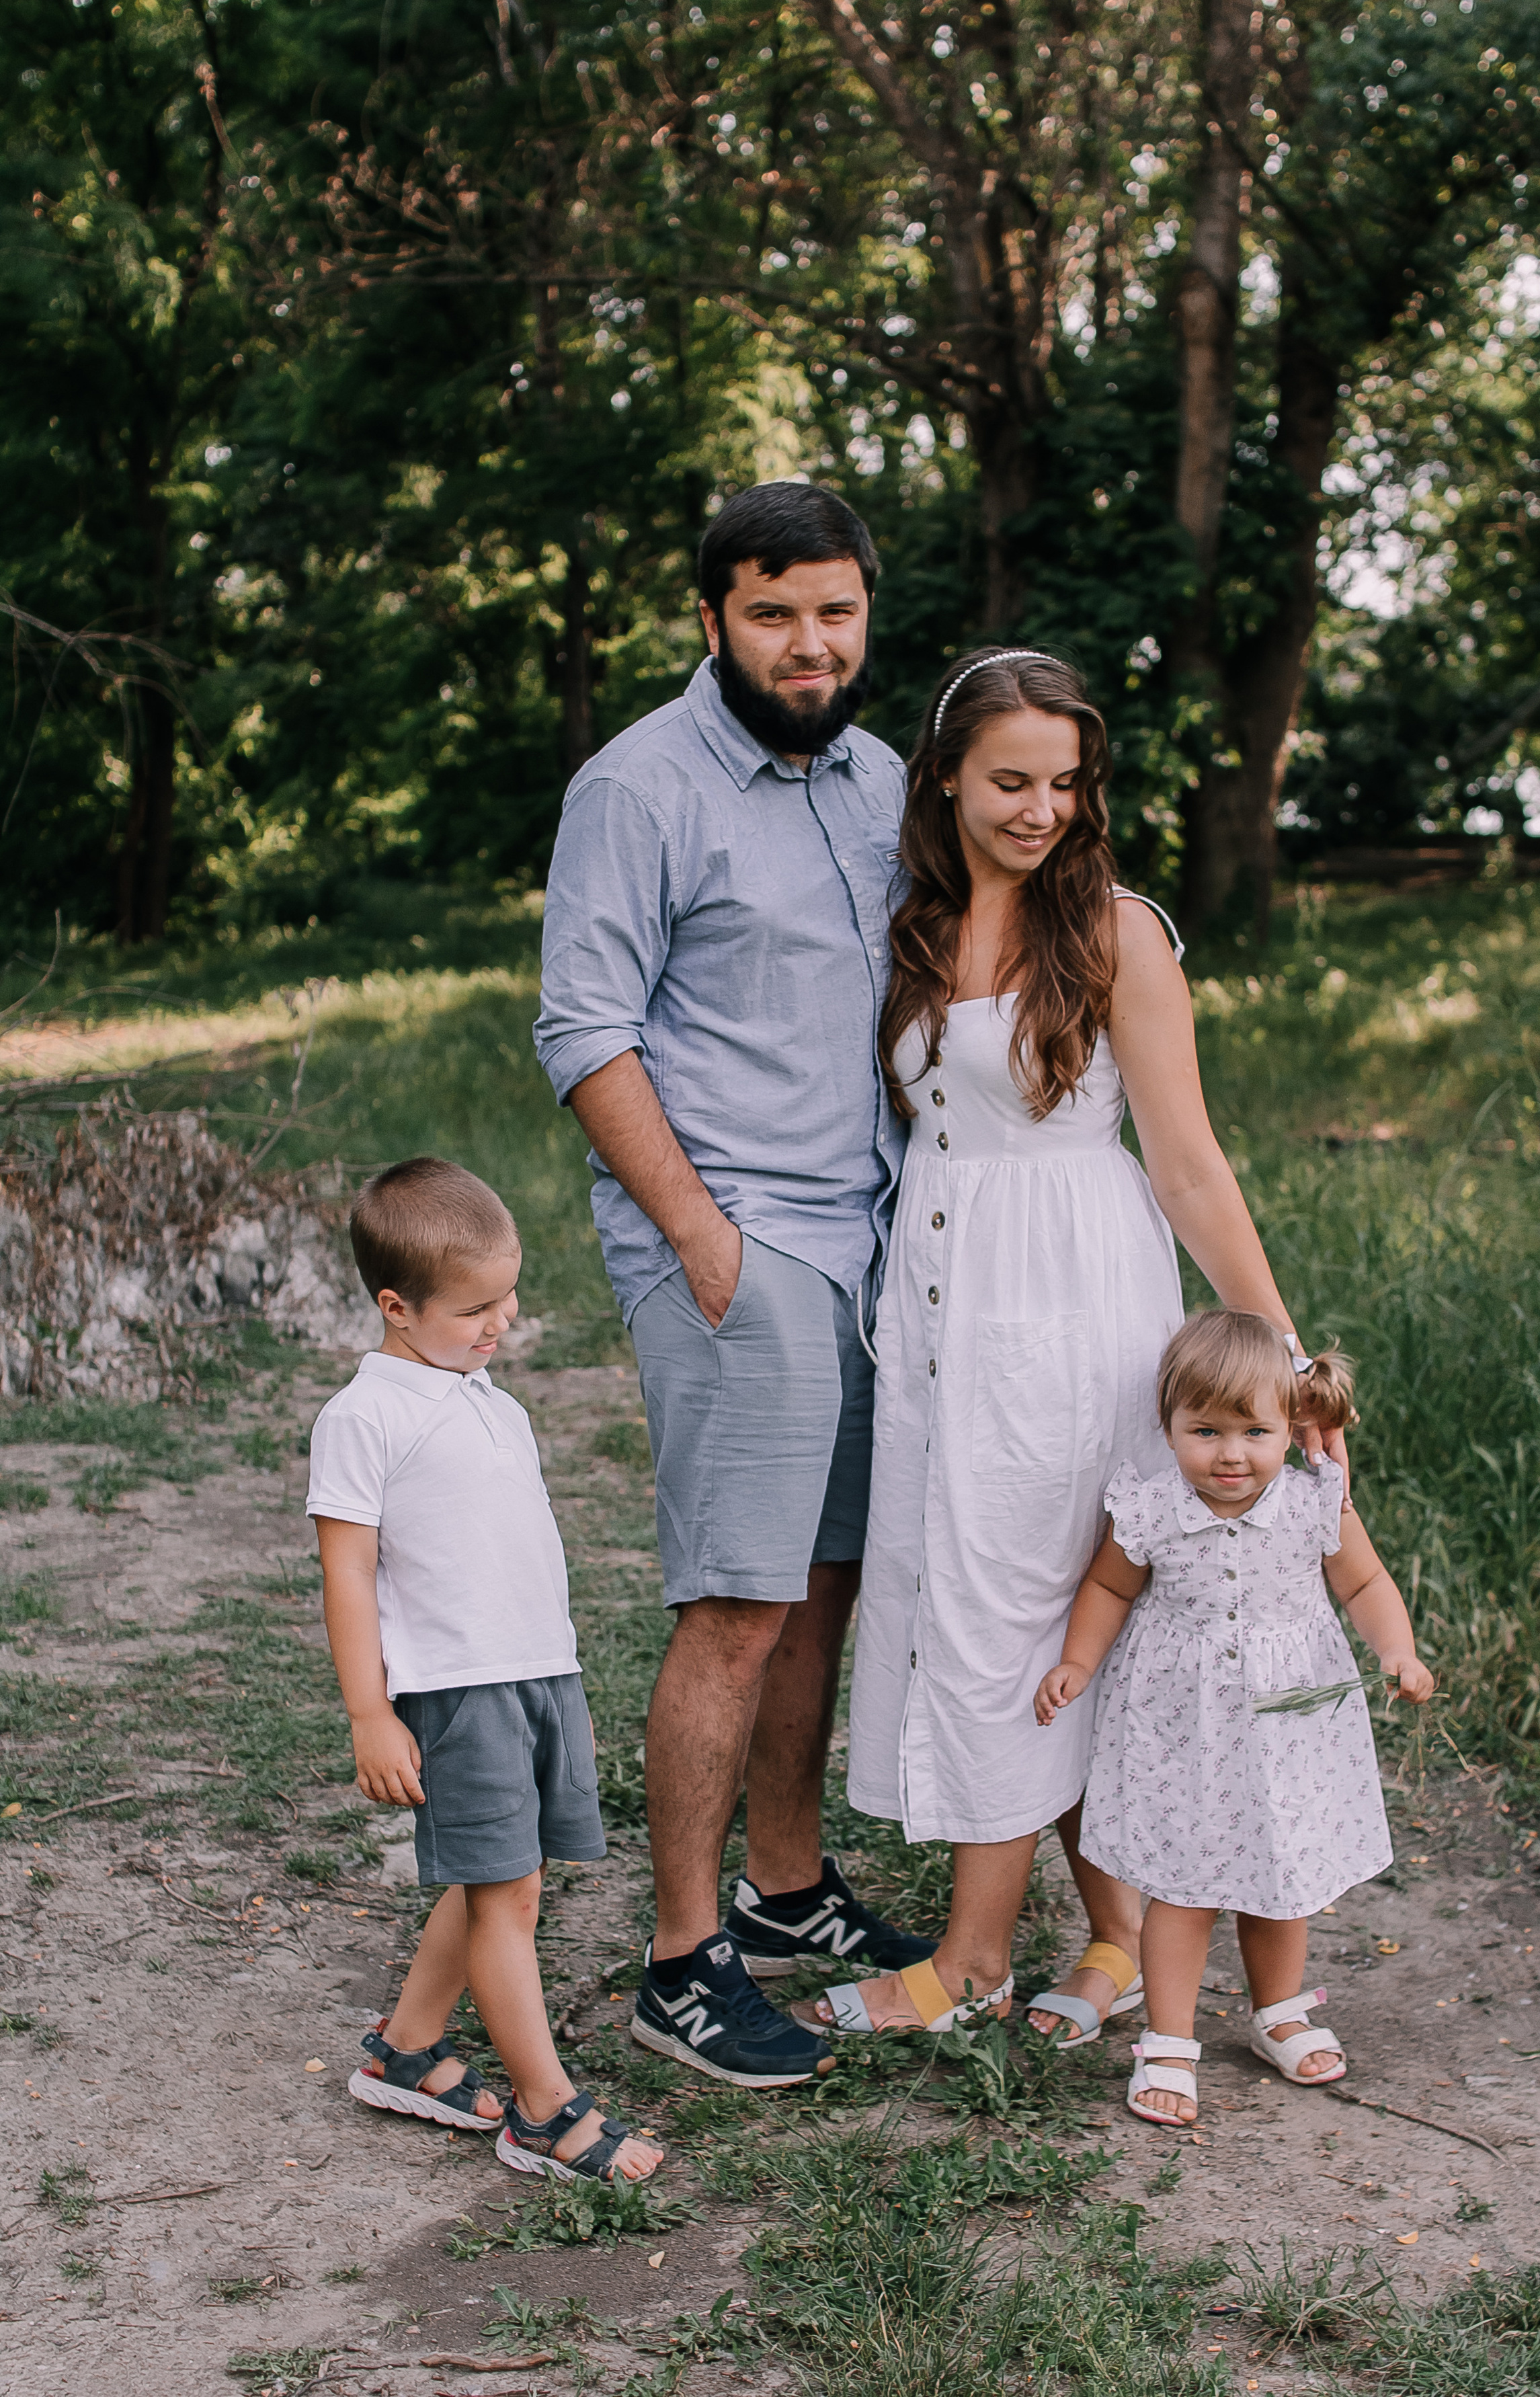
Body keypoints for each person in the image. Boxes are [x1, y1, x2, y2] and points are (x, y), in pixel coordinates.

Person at [799, 645, 1345, 2047]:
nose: (1039, 808)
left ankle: (970, 1958)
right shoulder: (908, 924)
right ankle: (1108, 1935)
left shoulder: (1113, 931)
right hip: (937, 1306)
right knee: (988, 1607)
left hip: (1070, 1298)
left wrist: (1273, 1353)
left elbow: (1186, 1166)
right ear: (941, 777)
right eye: (1007, 781)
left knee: (1022, 1608)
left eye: (1061, 782)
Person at [532, 482, 932, 2090]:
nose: (808, 641)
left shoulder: (884, 778)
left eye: (832, 610)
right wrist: (703, 1240)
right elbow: (582, 1029)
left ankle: (785, 1889)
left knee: (823, 1580)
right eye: (773, 613)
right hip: (734, 1238)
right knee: (738, 1603)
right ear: (712, 620)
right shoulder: (635, 787)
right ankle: (680, 1961)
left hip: (869, 1241)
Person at [308, 1157, 661, 2183]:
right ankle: (547, 2113)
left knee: (507, 1879)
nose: (502, 1319)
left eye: (508, 1295)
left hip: (536, 1672)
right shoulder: (364, 1416)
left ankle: (408, 2049)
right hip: (458, 1690)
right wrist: (371, 1712)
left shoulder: (486, 1396)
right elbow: (348, 1572)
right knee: (505, 1892)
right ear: (396, 1306)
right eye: (475, 1307)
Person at [1035, 1308, 1434, 2124]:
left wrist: (1397, 1650)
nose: (1229, 1454)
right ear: (1169, 1425)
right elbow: (1110, 1587)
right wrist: (1077, 1660)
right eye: (1205, 1430)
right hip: (1182, 1725)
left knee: (1281, 1876)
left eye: (1254, 1430)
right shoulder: (1149, 1509)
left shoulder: (1313, 1503)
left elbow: (1364, 1584)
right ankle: (1170, 2039)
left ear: (1292, 1425)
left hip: (1289, 1722)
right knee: (1181, 1884)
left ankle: (1277, 2008)